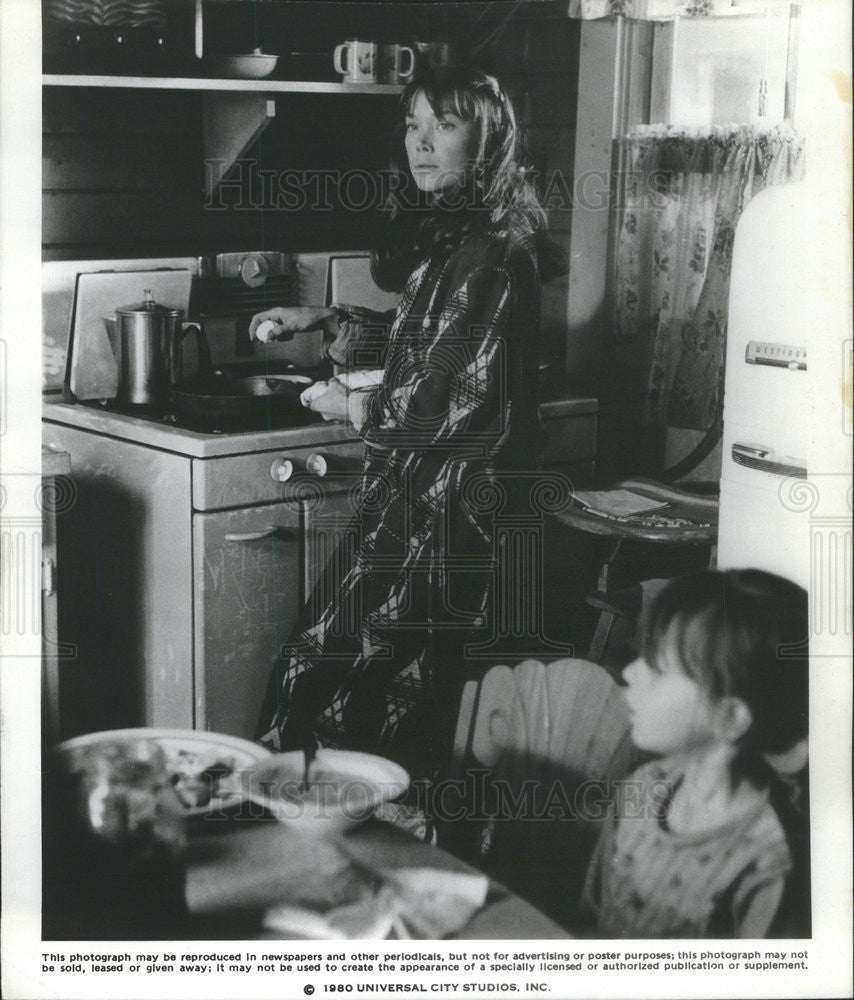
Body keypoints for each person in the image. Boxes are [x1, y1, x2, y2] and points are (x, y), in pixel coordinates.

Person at [249, 67, 563, 785]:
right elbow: (426, 340)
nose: (421, 143)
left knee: (367, 688)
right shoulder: (460, 236)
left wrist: (353, 406)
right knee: (335, 677)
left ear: (487, 140)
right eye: (413, 125)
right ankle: (325, 833)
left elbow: (445, 400)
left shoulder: (496, 252)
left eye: (443, 126)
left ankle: (346, 843)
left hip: (454, 515)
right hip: (416, 498)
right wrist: (332, 320)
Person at [578, 569, 810, 938]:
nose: (631, 672)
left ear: (731, 716)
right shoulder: (642, 786)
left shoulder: (767, 863)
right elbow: (589, 922)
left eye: (656, 667)